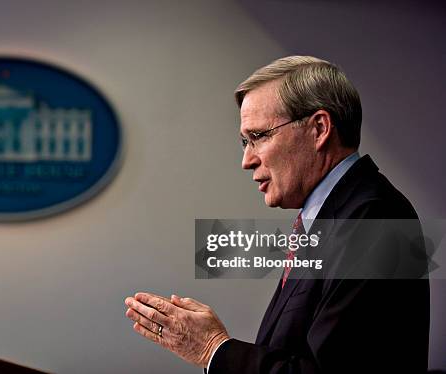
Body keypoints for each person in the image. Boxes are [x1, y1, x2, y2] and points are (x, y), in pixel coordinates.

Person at [124, 56, 429, 373]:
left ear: (319, 128)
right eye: (245, 141)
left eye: (258, 136)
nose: (247, 160)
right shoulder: (333, 218)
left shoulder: (375, 219)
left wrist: (214, 350)